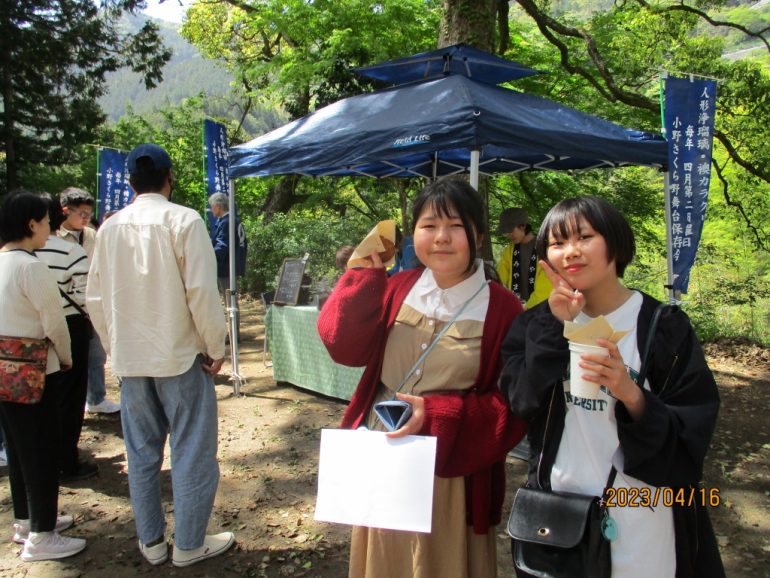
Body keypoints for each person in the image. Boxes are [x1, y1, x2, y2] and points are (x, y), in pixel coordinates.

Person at [498, 196, 724, 577]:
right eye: (557, 243)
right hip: (559, 511)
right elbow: (521, 402)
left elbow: (692, 436)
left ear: (615, 244)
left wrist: (631, 393)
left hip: (642, 509)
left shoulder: (662, 327)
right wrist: (555, 328)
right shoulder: (534, 325)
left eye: (585, 237)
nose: (571, 251)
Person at [318, 179, 527, 578]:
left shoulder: (502, 308)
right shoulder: (397, 287)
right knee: (386, 559)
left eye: (456, 226)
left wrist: (439, 415)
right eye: (429, 225)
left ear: (478, 236)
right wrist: (362, 279)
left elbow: (513, 406)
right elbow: (342, 347)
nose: (441, 238)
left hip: (451, 466)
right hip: (385, 448)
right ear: (414, 234)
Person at [86, 143, 234, 567]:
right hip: (180, 356)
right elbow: (202, 292)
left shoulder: (109, 228)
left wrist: (116, 348)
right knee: (191, 452)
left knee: (142, 455)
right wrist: (214, 346)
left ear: (130, 183)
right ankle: (188, 544)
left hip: (132, 361)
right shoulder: (184, 220)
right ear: (170, 178)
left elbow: (95, 299)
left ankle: (151, 542)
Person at [0, 190, 85, 561]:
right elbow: (55, 322)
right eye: (47, 222)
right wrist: (66, 358)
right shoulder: (30, 266)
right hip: (35, 371)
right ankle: (42, 534)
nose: (50, 229)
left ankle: (26, 520)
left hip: (5, 371)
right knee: (41, 451)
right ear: (31, 224)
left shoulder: (1, 262)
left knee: (18, 450)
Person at [35, 194, 99, 483]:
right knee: (71, 397)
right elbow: (86, 296)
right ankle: (67, 461)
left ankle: (44, 459)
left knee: (41, 395)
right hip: (69, 326)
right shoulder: (69, 252)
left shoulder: (17, 253)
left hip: (32, 329)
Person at [58, 187, 119, 415]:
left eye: (88, 214)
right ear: (65, 211)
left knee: (96, 354)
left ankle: (96, 397)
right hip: (66, 309)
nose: (85, 218)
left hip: (92, 303)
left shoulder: (91, 235)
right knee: (68, 359)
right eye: (81, 213)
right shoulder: (53, 237)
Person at [496, 207, 552, 308]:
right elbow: (500, 280)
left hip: (541, 309)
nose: (508, 235)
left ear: (523, 226)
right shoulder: (509, 251)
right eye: (505, 232)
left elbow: (545, 287)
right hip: (515, 307)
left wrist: (526, 308)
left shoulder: (545, 248)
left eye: (510, 230)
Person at [208, 192, 247, 296]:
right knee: (230, 299)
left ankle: (233, 313)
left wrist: (207, 256)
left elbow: (222, 246)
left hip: (227, 267)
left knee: (230, 300)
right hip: (231, 265)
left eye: (212, 206)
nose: (211, 209)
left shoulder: (227, 222)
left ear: (217, 206)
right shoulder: (231, 220)